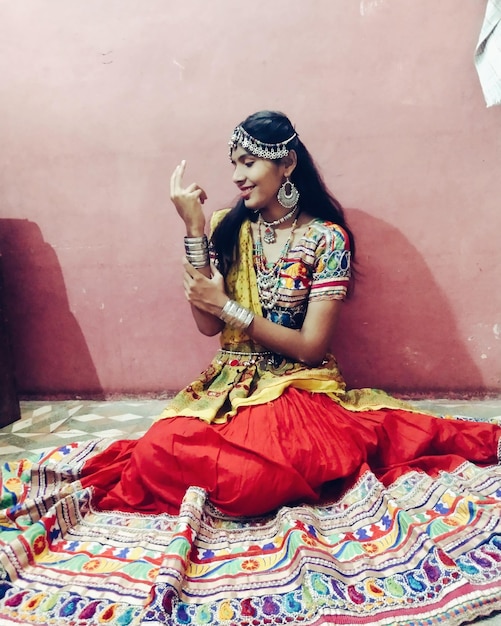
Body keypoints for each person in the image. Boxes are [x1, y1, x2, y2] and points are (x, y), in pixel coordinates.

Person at [81, 110, 500, 518]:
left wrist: (227, 306)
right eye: (233, 164)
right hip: (226, 386)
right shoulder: (228, 225)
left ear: (287, 164)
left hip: (295, 384)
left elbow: (311, 348)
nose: (236, 177)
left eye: (249, 162)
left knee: (253, 477)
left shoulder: (326, 239)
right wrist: (194, 231)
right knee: (156, 455)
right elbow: (208, 326)